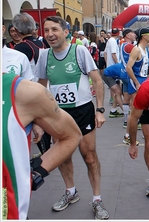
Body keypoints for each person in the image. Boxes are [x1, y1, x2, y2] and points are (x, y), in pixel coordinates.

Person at [36, 16, 109, 220]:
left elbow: (97, 80)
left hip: (82, 110)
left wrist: (100, 110)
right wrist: (38, 120)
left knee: (90, 156)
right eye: (46, 30)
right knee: (63, 156)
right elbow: (40, 87)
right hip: (58, 114)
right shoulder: (44, 56)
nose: (50, 34)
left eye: (55, 30)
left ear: (66, 31)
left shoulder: (79, 51)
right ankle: (71, 192)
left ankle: (97, 199)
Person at [2, 72, 82, 220]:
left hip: (7, 211)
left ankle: (73, 191)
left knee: (89, 154)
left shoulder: (25, 92)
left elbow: (71, 135)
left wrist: (35, 172)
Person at [124, 27, 149, 144]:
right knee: (135, 110)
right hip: (136, 80)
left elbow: (147, 66)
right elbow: (128, 67)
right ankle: (127, 136)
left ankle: (145, 133)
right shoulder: (136, 50)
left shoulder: (146, 49)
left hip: (144, 79)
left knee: (144, 109)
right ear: (144, 36)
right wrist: (136, 82)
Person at [12, 13, 47, 82]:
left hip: (29, 85)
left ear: (16, 30)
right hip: (44, 83)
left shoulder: (21, 47)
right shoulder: (41, 43)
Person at [105, 28, 124, 117]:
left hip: (111, 67)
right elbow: (113, 54)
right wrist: (118, 65)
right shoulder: (112, 41)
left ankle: (113, 110)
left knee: (117, 91)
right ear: (118, 33)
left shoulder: (110, 40)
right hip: (114, 70)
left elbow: (105, 53)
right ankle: (125, 111)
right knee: (118, 92)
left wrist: (108, 64)